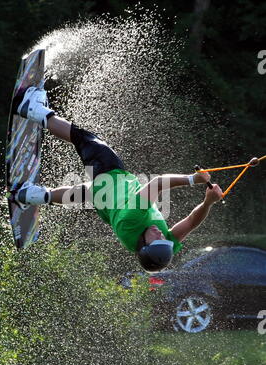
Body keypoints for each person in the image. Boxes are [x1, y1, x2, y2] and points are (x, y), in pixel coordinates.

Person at [14, 86, 223, 272]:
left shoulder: (133, 220)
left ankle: (33, 109)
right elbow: (191, 222)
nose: (161, 235)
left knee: (83, 138)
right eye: (163, 240)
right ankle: (31, 195)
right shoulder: (158, 241)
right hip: (106, 200)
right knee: (82, 193)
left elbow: (158, 183)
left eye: (156, 240)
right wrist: (208, 202)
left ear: (143, 245)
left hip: (110, 178)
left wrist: (192, 179)